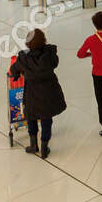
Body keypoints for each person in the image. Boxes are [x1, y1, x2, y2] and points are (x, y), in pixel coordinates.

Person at [10, 29, 65, 158]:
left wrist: (18, 73)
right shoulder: (50, 54)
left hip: (32, 93)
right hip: (48, 91)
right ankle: (45, 147)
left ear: (28, 43)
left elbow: (13, 70)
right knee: (46, 118)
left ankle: (33, 145)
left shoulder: (24, 58)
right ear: (44, 41)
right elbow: (55, 63)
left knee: (32, 117)